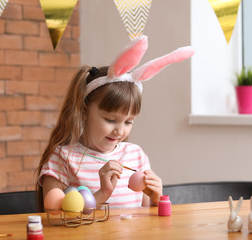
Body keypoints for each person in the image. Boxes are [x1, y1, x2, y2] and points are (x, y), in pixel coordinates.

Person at [35, 35, 194, 210]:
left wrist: (156, 200)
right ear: (84, 110)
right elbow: (54, 214)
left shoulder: (135, 155)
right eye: (110, 120)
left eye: (128, 122)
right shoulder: (64, 158)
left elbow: (145, 215)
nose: (119, 130)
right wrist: (101, 194)